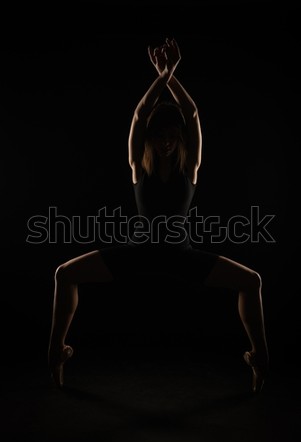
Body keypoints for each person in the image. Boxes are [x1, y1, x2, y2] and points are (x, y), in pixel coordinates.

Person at [48, 38, 269, 393]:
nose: (166, 141)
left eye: (172, 135)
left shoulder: (190, 170)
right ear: (150, 138)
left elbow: (193, 114)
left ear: (179, 139)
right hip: (141, 252)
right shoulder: (139, 168)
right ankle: (56, 352)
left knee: (252, 281)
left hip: (183, 256)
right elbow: (139, 115)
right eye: (159, 135)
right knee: (64, 274)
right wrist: (162, 76)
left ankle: (259, 358)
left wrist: (171, 75)